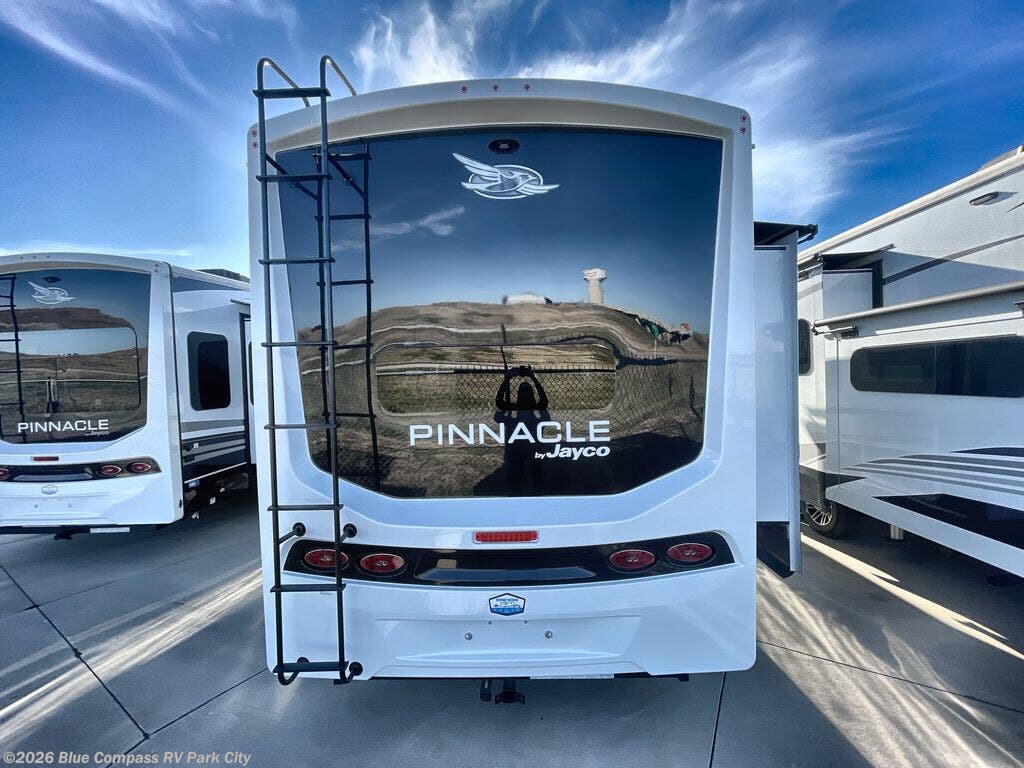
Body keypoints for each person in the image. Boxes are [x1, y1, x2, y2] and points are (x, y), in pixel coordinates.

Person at [494, 365, 549, 492]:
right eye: (522, 391)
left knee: (536, 474)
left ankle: (537, 491)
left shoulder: (532, 408)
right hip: (517, 448)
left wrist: (533, 378)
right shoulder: (514, 409)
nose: (525, 394)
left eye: (527, 391)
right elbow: (499, 402)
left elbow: (544, 401)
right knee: (515, 475)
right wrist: (506, 380)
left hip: (531, 447)